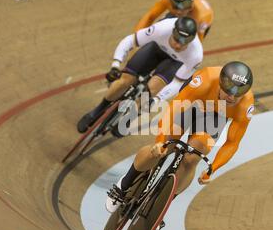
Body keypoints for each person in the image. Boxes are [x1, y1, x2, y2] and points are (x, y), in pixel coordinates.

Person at [105, 61, 255, 213]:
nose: (232, 97)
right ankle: (124, 184)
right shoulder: (207, 79)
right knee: (165, 146)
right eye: (229, 90)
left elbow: (232, 143)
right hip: (192, 101)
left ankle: (162, 204)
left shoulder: (245, 105)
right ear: (222, 83)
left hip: (216, 116)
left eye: (238, 93)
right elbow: (173, 110)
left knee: (193, 158)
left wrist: (212, 169)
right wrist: (160, 141)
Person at [77, 16, 203, 133]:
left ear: (191, 40)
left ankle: (128, 119)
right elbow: (130, 41)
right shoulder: (162, 28)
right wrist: (115, 65)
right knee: (124, 80)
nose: (178, 45)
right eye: (176, 39)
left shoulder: (195, 54)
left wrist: (157, 99)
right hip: (156, 49)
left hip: (175, 62)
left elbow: (177, 83)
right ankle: (97, 111)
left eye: (183, 42)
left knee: (150, 91)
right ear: (172, 31)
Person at [135, 0, 214, 41]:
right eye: (175, 5)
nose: (179, 11)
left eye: (183, 6)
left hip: (195, 23)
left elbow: (196, 43)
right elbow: (150, 16)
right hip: (179, 16)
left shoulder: (203, 16)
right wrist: (137, 37)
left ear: (191, 5)